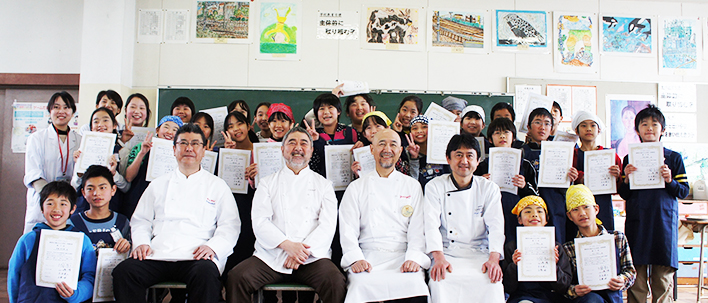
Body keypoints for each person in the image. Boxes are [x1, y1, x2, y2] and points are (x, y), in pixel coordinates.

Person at [112, 124, 241, 303]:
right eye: (183, 143)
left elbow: (230, 225)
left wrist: (213, 247)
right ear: (174, 149)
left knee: (206, 274)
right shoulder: (157, 184)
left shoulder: (218, 186)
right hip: (158, 253)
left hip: (197, 256)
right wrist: (141, 243)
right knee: (125, 272)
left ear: (204, 151)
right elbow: (141, 220)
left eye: (195, 143)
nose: (189, 148)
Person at [226, 127, 346, 303]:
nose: (298, 147)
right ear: (282, 150)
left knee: (335, 281)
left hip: (311, 258)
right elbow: (260, 222)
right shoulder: (267, 183)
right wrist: (288, 246)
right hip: (271, 256)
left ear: (311, 150)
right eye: (292, 142)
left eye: (304, 143)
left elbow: (327, 225)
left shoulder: (324, 185)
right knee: (237, 277)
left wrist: (301, 252)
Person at [339, 129, 430, 303]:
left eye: (393, 144)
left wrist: (413, 257)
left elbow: (418, 227)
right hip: (368, 257)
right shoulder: (357, 187)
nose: (387, 149)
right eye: (381, 144)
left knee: (415, 285)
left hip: (403, 256)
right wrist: (356, 258)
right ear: (371, 149)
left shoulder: (412, 186)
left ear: (400, 151)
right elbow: (347, 228)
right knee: (360, 285)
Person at [619, 105, 689, 303]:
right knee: (637, 277)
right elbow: (624, 194)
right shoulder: (629, 158)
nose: (649, 128)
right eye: (644, 124)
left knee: (663, 277)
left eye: (654, 124)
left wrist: (670, 180)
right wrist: (626, 179)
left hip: (663, 223)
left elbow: (683, 191)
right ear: (637, 130)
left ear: (663, 130)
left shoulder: (674, 158)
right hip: (638, 222)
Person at [424, 134, 505, 303]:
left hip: (479, 252)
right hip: (447, 252)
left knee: (492, 284)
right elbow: (431, 225)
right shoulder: (435, 186)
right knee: (440, 283)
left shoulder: (489, 188)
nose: (464, 161)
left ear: (478, 160)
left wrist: (493, 259)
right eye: (458, 155)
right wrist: (438, 258)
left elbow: (496, 227)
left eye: (470, 155)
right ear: (448, 158)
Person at [9, 181, 97, 303]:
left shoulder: (82, 241)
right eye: (50, 203)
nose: (56, 209)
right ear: (41, 208)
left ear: (73, 209)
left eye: (63, 204)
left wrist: (75, 295)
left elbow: (89, 276)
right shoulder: (28, 239)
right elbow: (14, 274)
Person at [564, 185, 636, 303]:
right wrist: (574, 290)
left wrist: (622, 280)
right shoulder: (568, 248)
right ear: (569, 216)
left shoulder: (617, 238)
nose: (582, 213)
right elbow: (565, 286)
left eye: (586, 207)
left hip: (613, 298)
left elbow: (630, 271)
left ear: (596, 209)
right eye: (575, 209)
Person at [23, 92, 82, 233]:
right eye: (56, 107)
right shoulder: (36, 138)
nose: (61, 111)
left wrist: (66, 198)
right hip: (43, 202)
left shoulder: (79, 140)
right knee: (36, 246)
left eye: (66, 107)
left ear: (73, 112)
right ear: (50, 110)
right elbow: (33, 173)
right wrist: (52, 197)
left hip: (68, 203)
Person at [475, 118, 538, 244]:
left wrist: (524, 186)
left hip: (516, 216)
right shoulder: (481, 166)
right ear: (490, 139)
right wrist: (480, 182)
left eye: (506, 132)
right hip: (489, 215)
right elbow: (471, 196)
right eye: (497, 133)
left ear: (514, 138)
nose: (502, 136)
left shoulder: (525, 165)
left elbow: (536, 197)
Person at [521, 108, 578, 244]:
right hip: (533, 208)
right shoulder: (522, 153)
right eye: (538, 122)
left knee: (558, 242)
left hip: (556, 205)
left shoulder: (561, 150)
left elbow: (566, 186)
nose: (542, 127)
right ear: (528, 127)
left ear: (552, 128)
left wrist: (571, 178)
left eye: (547, 123)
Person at [502, 195, 572, 303]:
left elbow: (564, 287)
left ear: (546, 219)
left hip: (552, 298)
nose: (534, 214)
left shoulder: (556, 247)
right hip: (523, 297)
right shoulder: (511, 247)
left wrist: (554, 267)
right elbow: (507, 287)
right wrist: (515, 266)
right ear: (520, 219)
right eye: (527, 211)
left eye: (539, 211)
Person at [121, 115, 183, 218]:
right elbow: (129, 177)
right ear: (158, 130)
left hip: (165, 205)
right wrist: (142, 153)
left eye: (175, 129)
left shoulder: (181, 154)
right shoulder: (141, 147)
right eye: (166, 127)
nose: (169, 132)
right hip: (138, 200)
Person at [71, 108, 131, 213]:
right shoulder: (83, 150)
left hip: (112, 208)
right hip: (84, 208)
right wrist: (78, 167)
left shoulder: (122, 152)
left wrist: (114, 174)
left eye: (105, 120)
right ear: (91, 127)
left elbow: (126, 187)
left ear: (114, 125)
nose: (100, 124)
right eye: (96, 121)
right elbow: (74, 186)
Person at [570, 111, 621, 231]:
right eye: (583, 125)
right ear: (577, 131)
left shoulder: (610, 155)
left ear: (598, 130)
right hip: (578, 207)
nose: (588, 129)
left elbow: (621, 188)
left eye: (593, 125)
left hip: (603, 204)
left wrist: (617, 176)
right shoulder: (571, 155)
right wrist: (576, 177)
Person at [70, 165, 131, 253]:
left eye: (102, 188)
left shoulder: (123, 222)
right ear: (83, 193)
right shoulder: (74, 223)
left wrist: (127, 245)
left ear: (113, 190)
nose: (96, 193)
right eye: (90, 189)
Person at [304, 93, 358, 179]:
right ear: (316, 114)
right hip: (322, 185)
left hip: (348, 184)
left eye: (330, 107)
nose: (326, 112)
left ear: (339, 111)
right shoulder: (313, 136)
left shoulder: (351, 132)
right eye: (321, 109)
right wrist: (316, 141)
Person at [350, 111, 409, 176]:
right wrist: (357, 174)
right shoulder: (360, 152)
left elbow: (404, 173)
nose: (373, 131)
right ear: (364, 134)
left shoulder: (394, 149)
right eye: (368, 128)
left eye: (378, 126)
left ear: (387, 128)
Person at [406, 115, 450, 190]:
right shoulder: (407, 153)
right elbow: (412, 182)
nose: (419, 131)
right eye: (415, 128)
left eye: (424, 127)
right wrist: (414, 158)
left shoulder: (442, 150)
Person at [117, 93, 152, 174]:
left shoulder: (152, 137)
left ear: (147, 113)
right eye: (133, 107)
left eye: (142, 108)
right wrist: (122, 141)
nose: (137, 111)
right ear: (125, 110)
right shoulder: (117, 135)